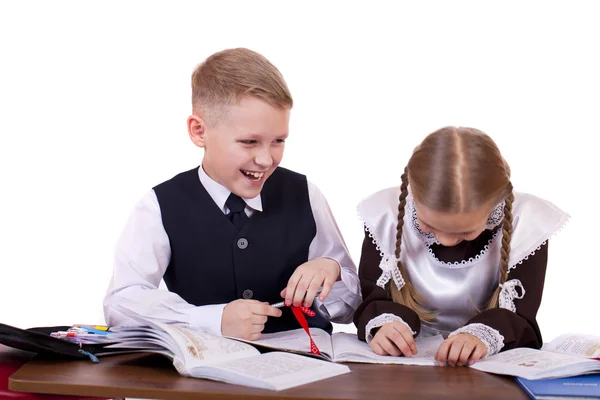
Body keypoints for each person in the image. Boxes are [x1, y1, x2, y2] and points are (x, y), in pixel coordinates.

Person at [103, 48, 361, 340]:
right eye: (249, 142)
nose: (266, 159)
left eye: (278, 140)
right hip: (208, 374)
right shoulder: (159, 206)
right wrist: (211, 319)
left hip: (305, 370)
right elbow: (121, 304)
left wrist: (332, 270)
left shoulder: (306, 195)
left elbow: (350, 307)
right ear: (199, 131)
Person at [354, 126, 569, 366]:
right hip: (404, 365)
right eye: (428, 226)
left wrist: (479, 336)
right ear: (413, 191)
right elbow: (371, 296)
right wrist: (385, 326)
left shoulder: (527, 223)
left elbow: (522, 318)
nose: (445, 241)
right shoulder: (386, 215)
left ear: (495, 203)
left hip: (485, 368)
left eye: (466, 232)